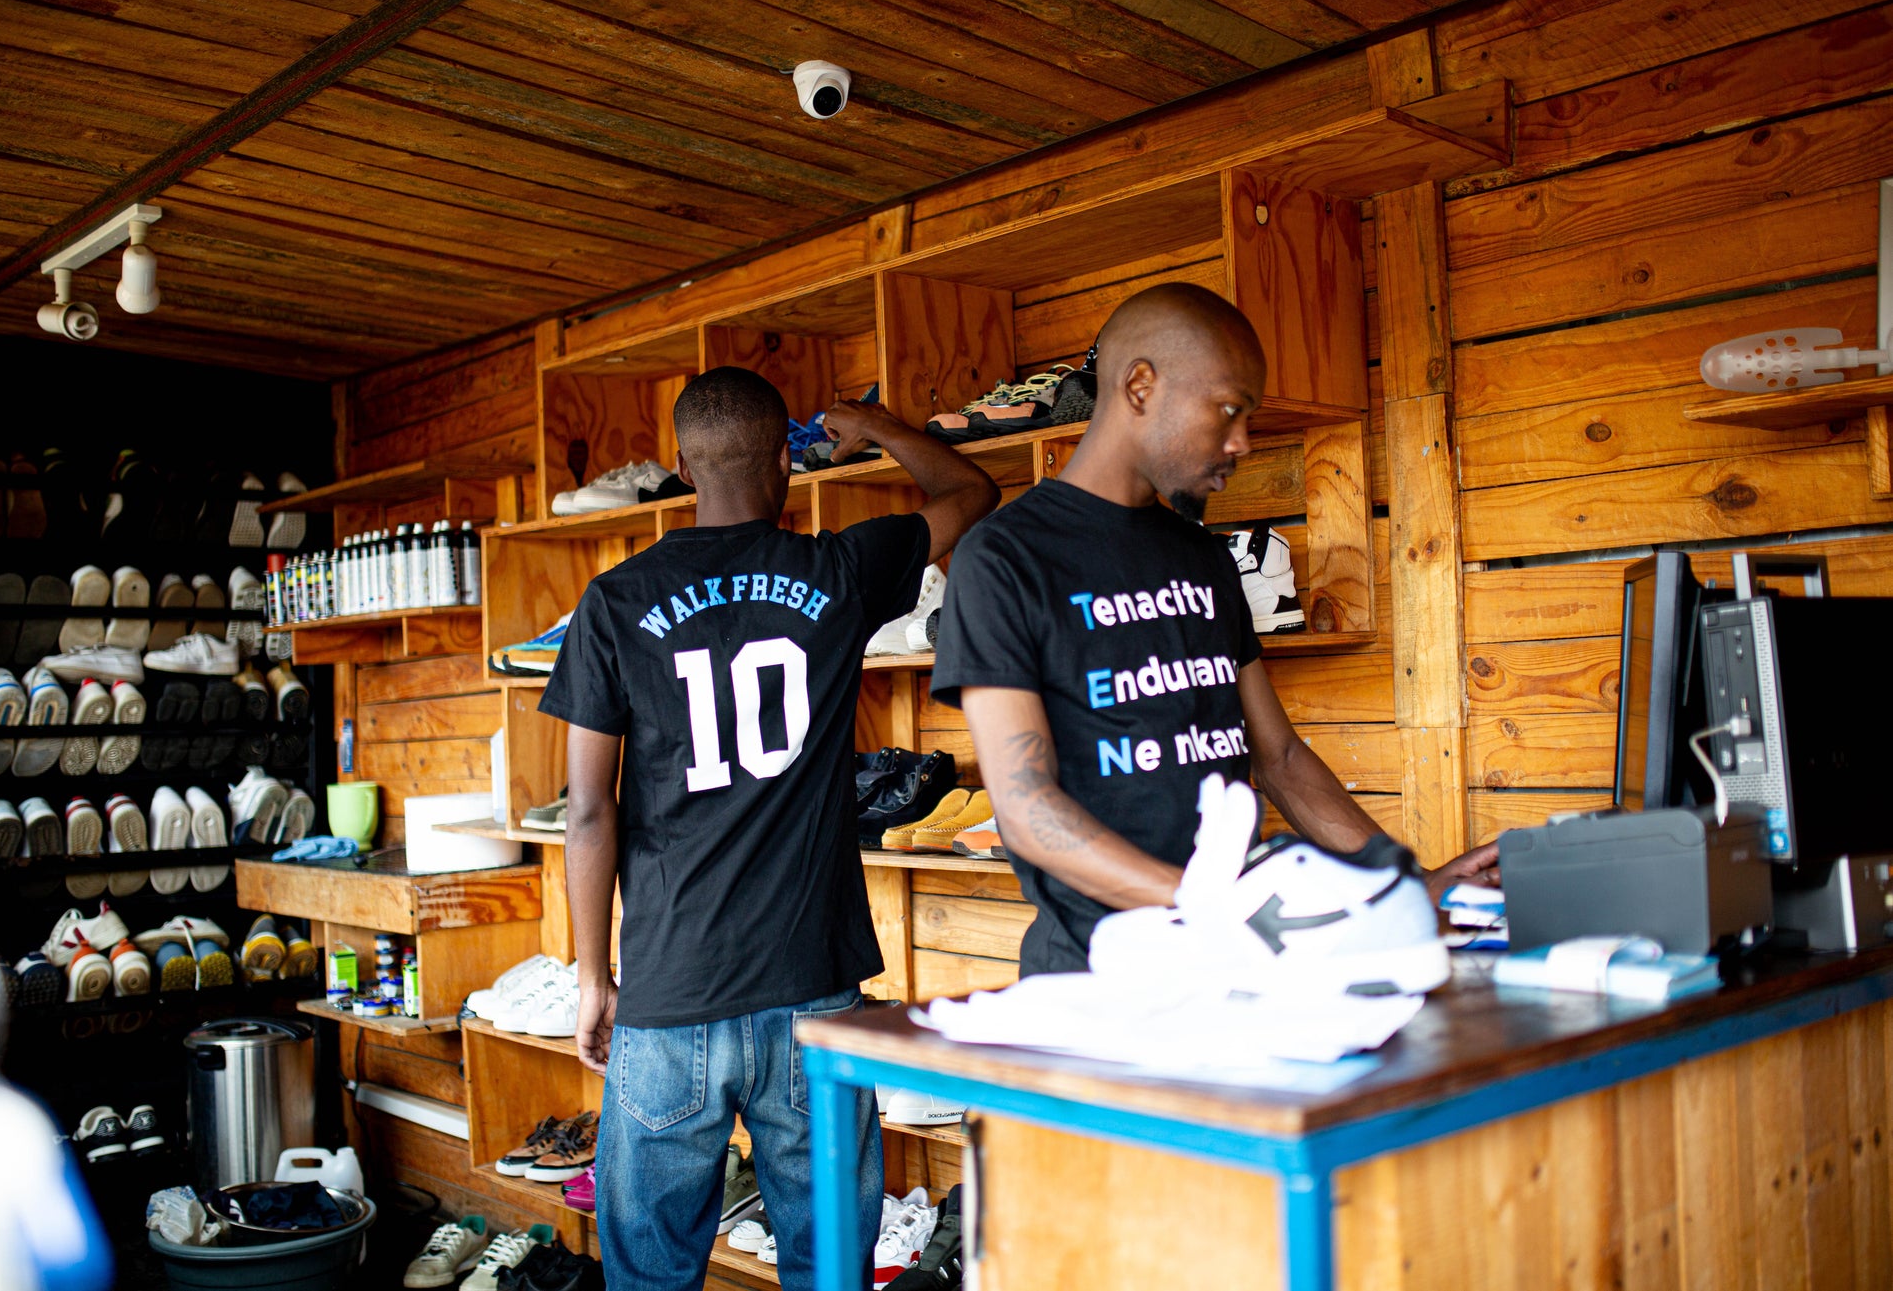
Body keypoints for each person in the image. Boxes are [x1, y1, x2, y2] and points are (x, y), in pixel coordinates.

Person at [542, 366, 998, 1290]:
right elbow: (970, 492)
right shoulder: (836, 571)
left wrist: (593, 976)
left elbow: (589, 808)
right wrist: (876, 423)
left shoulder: (616, 600)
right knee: (826, 1267)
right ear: (781, 468)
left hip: (670, 995)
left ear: (682, 465)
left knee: (650, 1274)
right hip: (813, 991)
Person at [931, 282, 1497, 978]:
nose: (1241, 442)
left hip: (1234, 960)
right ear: (1141, 386)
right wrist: (1210, 902)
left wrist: (1400, 885)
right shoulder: (1006, 557)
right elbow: (1026, 808)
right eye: (1229, 409)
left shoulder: (1202, 556)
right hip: (1102, 979)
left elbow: (1281, 758)